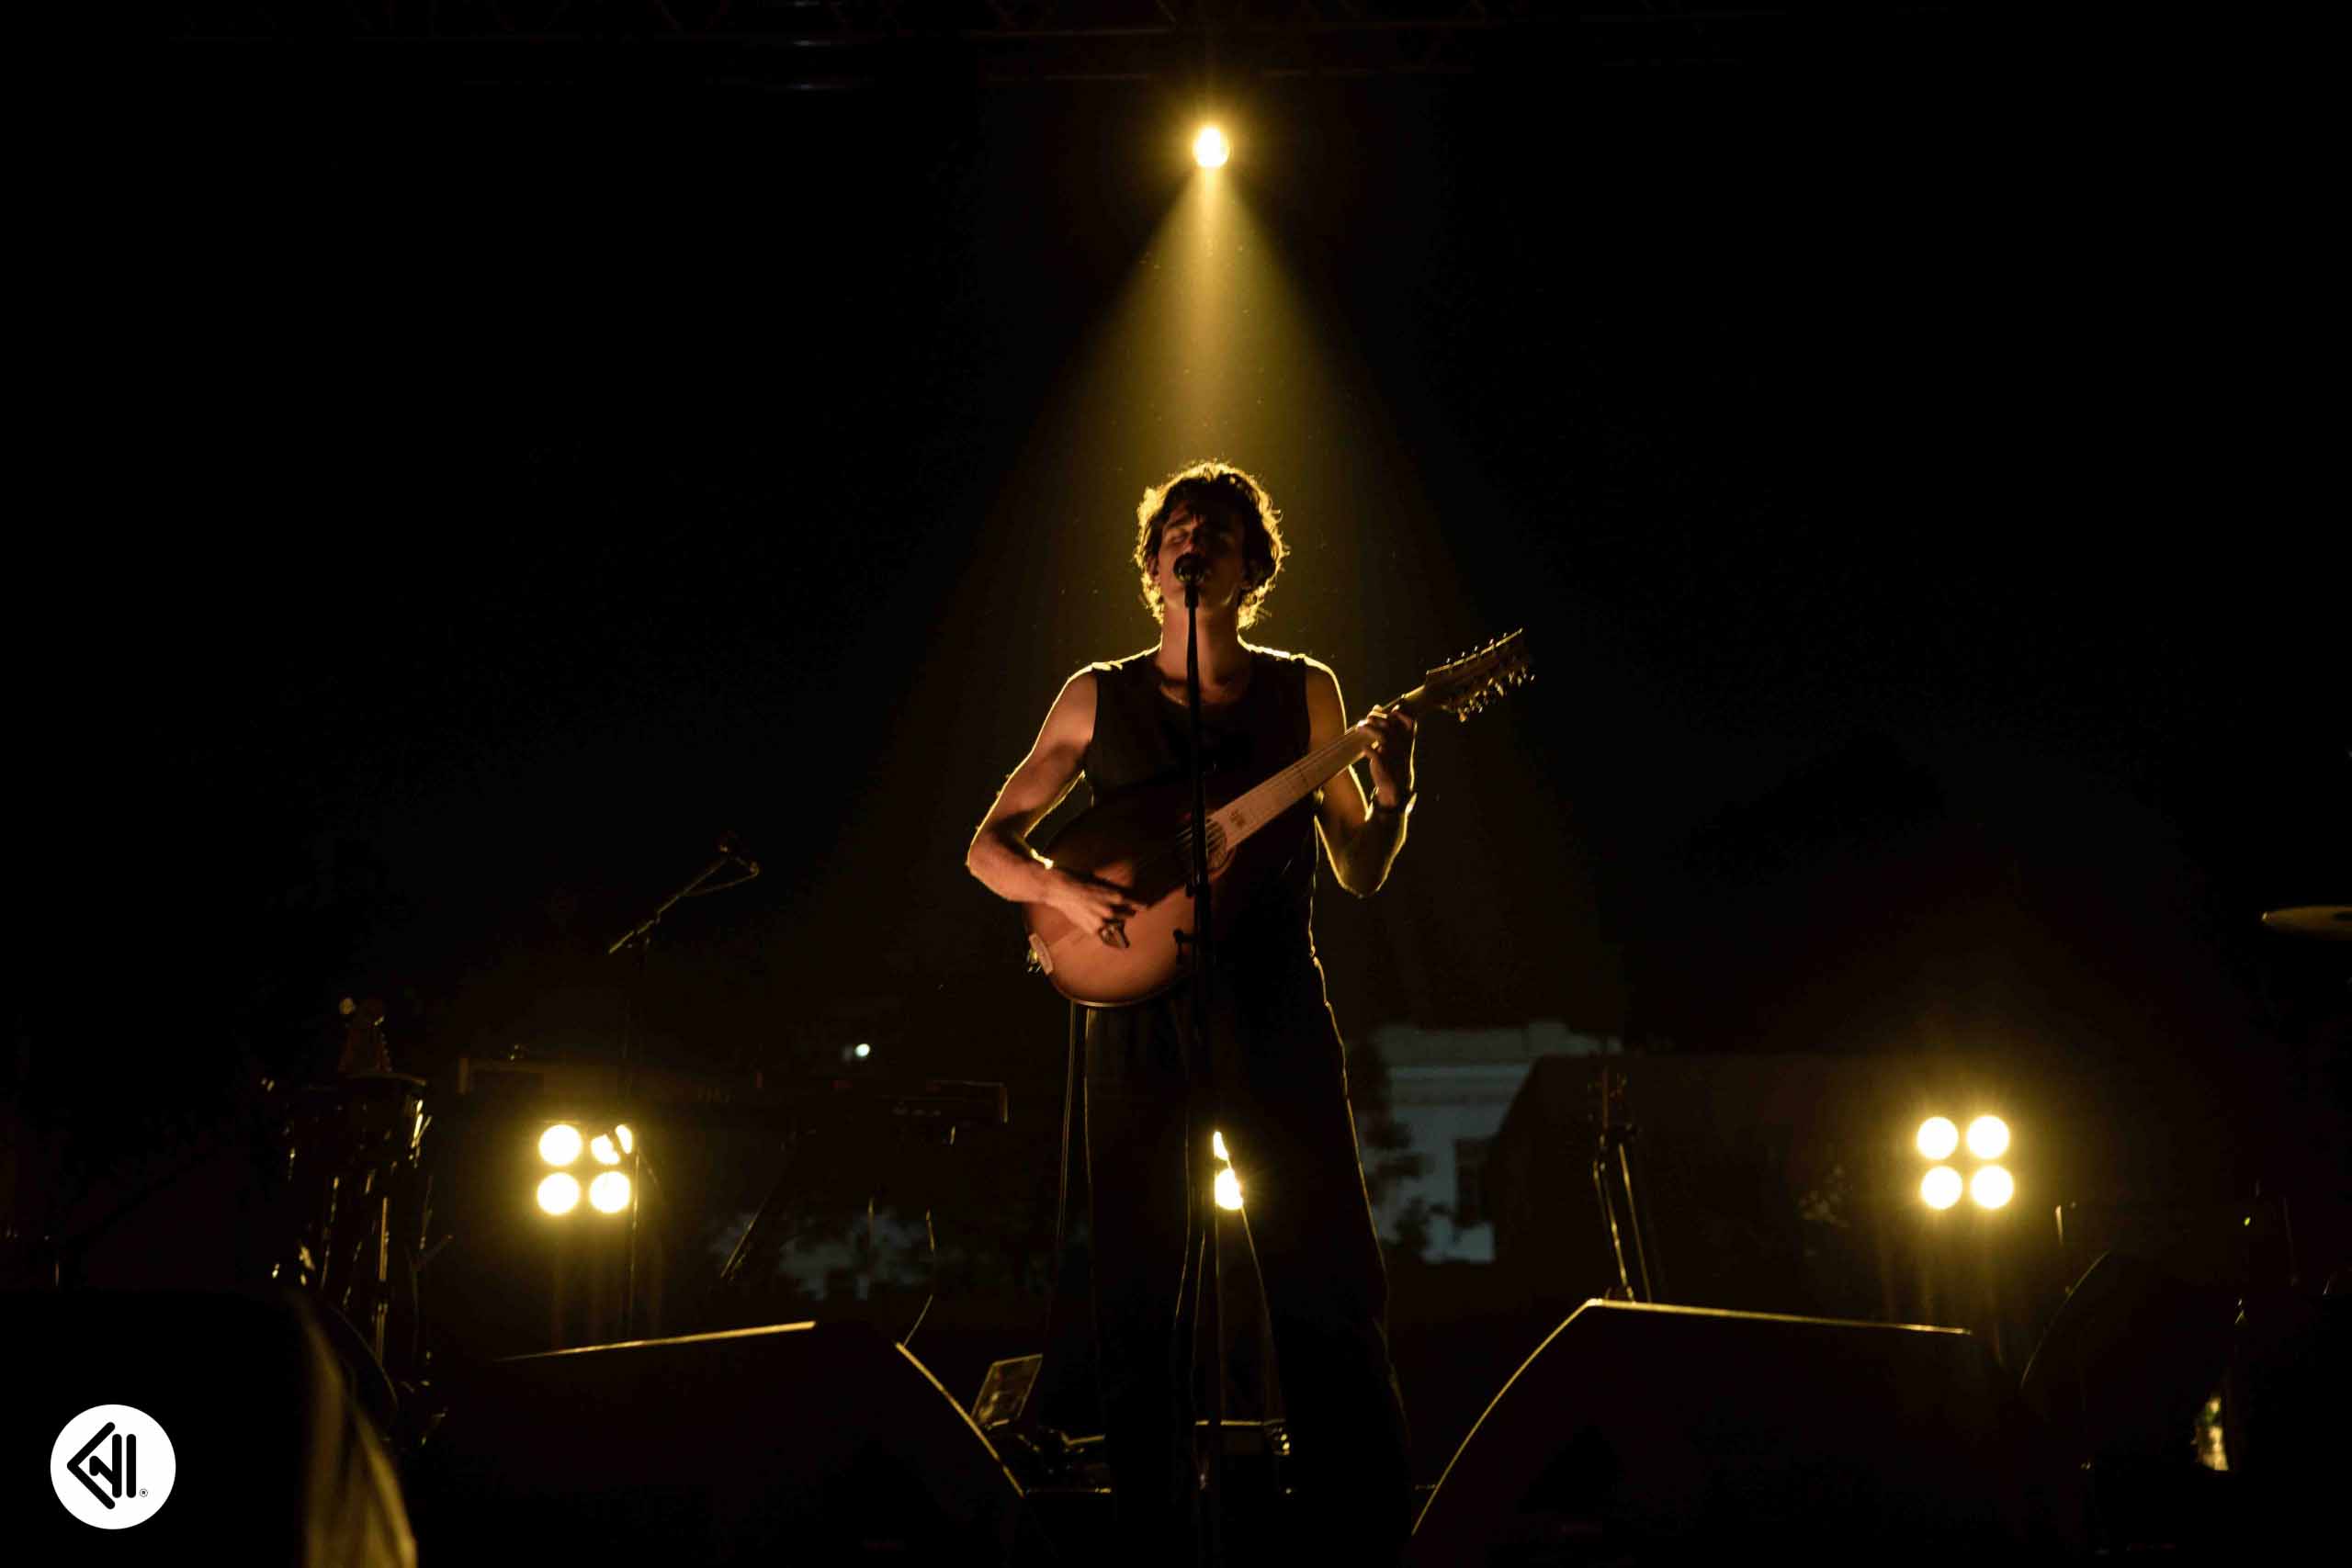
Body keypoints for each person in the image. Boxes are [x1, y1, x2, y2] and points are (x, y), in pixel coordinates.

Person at [966, 461, 1419, 1563]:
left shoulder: (1303, 692)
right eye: (1175, 528)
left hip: (1272, 1000)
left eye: (1214, 529)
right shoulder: (1096, 696)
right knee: (1135, 1278)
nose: (1191, 541)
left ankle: (1358, 1535)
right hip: (1131, 1016)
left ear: (1250, 564)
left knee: (1321, 1264)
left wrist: (1395, 789)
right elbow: (989, 848)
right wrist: (1069, 895)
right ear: (1153, 562)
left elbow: (1358, 867)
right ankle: (1153, 1545)